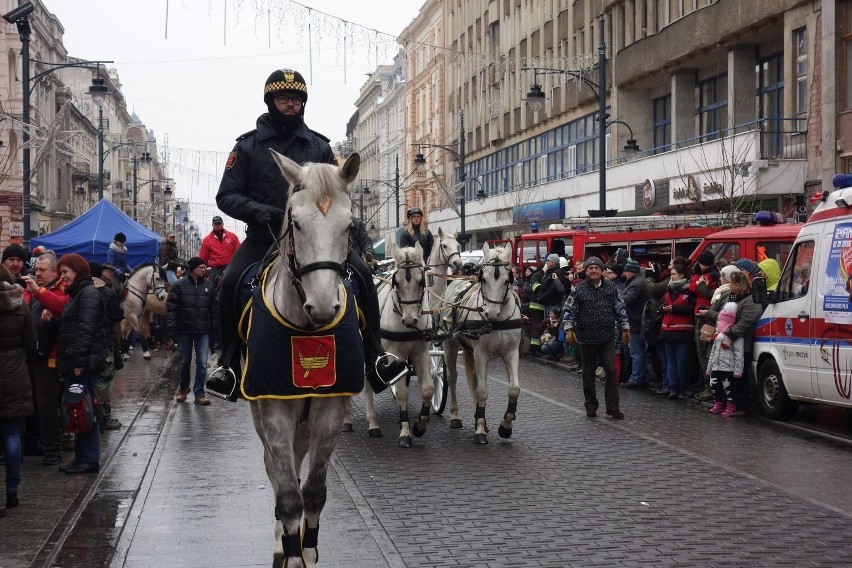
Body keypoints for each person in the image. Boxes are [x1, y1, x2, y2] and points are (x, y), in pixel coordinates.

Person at [208, 67, 405, 401]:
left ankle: (375, 359)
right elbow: (226, 196)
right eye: (284, 98)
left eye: (297, 99)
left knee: (363, 276)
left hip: (316, 237)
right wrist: (260, 211)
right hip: (264, 235)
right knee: (230, 281)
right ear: (271, 100)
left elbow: (338, 192)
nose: (291, 104)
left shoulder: (320, 146)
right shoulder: (247, 147)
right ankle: (226, 365)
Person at [55, 254, 106, 475]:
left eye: (65, 272)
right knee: (79, 409)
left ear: (78, 271)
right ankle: (82, 457)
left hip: (83, 363)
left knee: (85, 409)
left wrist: (79, 363)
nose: (62, 277)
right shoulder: (78, 293)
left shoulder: (87, 294)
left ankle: (89, 459)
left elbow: (86, 331)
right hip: (78, 361)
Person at [563, 256, 629, 419]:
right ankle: (591, 405)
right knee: (588, 372)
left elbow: (620, 307)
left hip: (607, 337)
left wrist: (625, 327)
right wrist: (568, 328)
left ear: (602, 271)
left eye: (597, 268)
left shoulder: (611, 287)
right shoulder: (578, 289)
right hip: (586, 338)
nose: (593, 271)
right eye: (590, 268)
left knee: (611, 371)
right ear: (586, 271)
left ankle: (613, 407)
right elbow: (568, 309)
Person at [21, 252, 67, 466]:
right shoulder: (29, 290)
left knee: (47, 404)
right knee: (26, 403)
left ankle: (53, 449)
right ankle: (32, 443)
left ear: (54, 272)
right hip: (27, 354)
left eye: (42, 270)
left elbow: (62, 309)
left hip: (48, 357)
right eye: (36, 269)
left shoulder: (60, 289)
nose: (37, 273)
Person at [0, 264, 36, 513]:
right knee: (12, 433)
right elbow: (31, 342)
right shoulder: (19, 303)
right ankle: (12, 490)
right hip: (14, 370)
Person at [703, 270, 762, 416]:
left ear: (738, 284)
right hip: (726, 339)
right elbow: (724, 316)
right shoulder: (731, 296)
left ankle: (743, 405)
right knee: (726, 377)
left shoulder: (750, 300)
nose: (730, 286)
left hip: (741, 342)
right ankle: (727, 402)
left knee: (740, 376)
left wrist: (728, 333)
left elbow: (745, 323)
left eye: (732, 283)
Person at [168, 257, 217, 406]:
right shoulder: (179, 285)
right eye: (201, 267)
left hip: (203, 330)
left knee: (202, 363)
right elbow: (172, 309)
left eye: (205, 267)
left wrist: (214, 327)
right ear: (193, 269)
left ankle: (199, 394)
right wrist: (171, 329)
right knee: (185, 362)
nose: (204, 269)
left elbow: (214, 309)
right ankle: (183, 389)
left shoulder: (209, 285)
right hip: (185, 330)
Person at [89, 261, 125, 431]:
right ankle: (104, 417)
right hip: (104, 343)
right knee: (104, 379)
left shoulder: (79, 290)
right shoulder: (107, 292)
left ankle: (90, 413)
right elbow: (118, 314)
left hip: (85, 343)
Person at [659, 258, 696, 400]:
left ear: (682, 275)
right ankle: (673, 387)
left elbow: (693, 308)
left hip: (683, 330)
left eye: (674, 274)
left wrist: (674, 308)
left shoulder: (689, 290)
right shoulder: (669, 288)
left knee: (682, 361)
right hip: (667, 330)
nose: (671, 276)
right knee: (671, 361)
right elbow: (662, 304)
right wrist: (663, 308)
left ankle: (684, 386)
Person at [690, 250, 720, 401]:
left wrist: (696, 277)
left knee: (704, 354)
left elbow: (694, 288)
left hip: (705, 318)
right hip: (705, 317)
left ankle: (709, 386)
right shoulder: (714, 274)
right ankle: (706, 383)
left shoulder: (708, 275)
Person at [705, 301, 745, 416]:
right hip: (716, 366)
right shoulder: (717, 335)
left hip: (728, 367)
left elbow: (739, 354)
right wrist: (710, 367)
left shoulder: (735, 336)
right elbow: (713, 352)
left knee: (728, 387)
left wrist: (738, 370)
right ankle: (718, 402)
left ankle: (731, 404)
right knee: (715, 385)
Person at [620, 259, 651, 389]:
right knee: (639, 352)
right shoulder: (637, 281)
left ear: (631, 271)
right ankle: (642, 377)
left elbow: (627, 299)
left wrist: (618, 296)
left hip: (635, 321)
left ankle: (636, 378)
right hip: (636, 321)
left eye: (626, 271)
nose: (624, 273)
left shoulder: (637, 283)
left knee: (636, 352)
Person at [198, 216, 240, 287]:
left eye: (219, 223)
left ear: (223, 224)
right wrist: (202, 270)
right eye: (216, 224)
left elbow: (239, 252)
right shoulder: (207, 240)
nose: (218, 225)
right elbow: (203, 257)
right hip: (216, 268)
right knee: (210, 285)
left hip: (231, 266)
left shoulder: (232, 236)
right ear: (212, 225)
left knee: (239, 281)